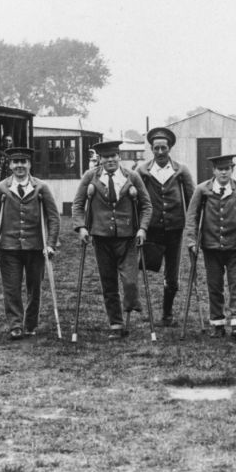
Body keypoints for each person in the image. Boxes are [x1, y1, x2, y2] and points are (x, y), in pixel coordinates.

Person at [72, 140, 151, 339]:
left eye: (113, 156)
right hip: (101, 237)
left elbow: (146, 205)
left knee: (130, 282)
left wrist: (142, 228)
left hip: (127, 237)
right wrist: (81, 227)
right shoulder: (90, 177)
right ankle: (116, 324)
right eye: (106, 157)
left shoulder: (131, 177)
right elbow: (78, 204)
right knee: (108, 283)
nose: (110, 160)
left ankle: (131, 305)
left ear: (119, 157)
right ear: (100, 159)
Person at [0, 147, 60, 340]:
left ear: (29, 164)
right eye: (15, 162)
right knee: (11, 288)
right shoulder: (1, 188)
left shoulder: (41, 187)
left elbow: (53, 217)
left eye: (23, 161)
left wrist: (50, 243)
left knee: (34, 287)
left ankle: (31, 324)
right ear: (10, 165)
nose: (19, 165)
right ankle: (16, 325)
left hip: (36, 247)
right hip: (9, 248)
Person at [185, 154, 236, 339]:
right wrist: (191, 240)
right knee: (214, 285)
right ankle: (217, 323)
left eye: (227, 168)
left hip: (235, 246)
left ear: (232, 170)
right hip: (211, 246)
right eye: (220, 169)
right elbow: (192, 216)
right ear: (214, 171)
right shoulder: (203, 189)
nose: (224, 172)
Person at [136, 127, 195, 326]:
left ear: (169, 148)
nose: (160, 152)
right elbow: (134, 198)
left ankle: (167, 314)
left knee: (172, 275)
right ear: (151, 149)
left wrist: (193, 228)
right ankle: (136, 306)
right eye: (156, 148)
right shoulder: (142, 170)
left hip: (174, 229)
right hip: (151, 229)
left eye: (164, 148)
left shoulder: (181, 170)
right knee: (145, 266)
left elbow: (192, 200)